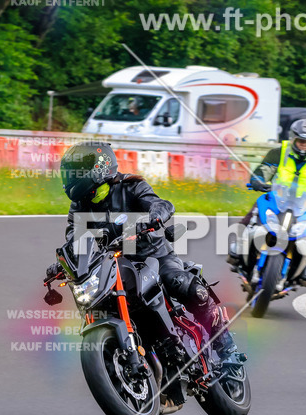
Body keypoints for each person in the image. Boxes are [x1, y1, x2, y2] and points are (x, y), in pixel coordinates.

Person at [48, 142, 235, 357]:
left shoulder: (131, 185)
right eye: (69, 174)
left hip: (154, 256)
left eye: (75, 173)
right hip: (115, 267)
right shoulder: (79, 206)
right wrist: (63, 263)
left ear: (98, 167)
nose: (71, 178)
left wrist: (155, 216)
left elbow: (160, 204)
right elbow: (74, 241)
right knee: (98, 304)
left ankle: (221, 336)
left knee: (179, 282)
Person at [230, 119, 306, 282]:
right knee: (249, 219)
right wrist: (258, 180)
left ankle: (304, 269)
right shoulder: (278, 153)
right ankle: (238, 252)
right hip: (277, 200)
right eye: (300, 141)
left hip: (304, 207)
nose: (303, 145)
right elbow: (264, 169)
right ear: (293, 139)